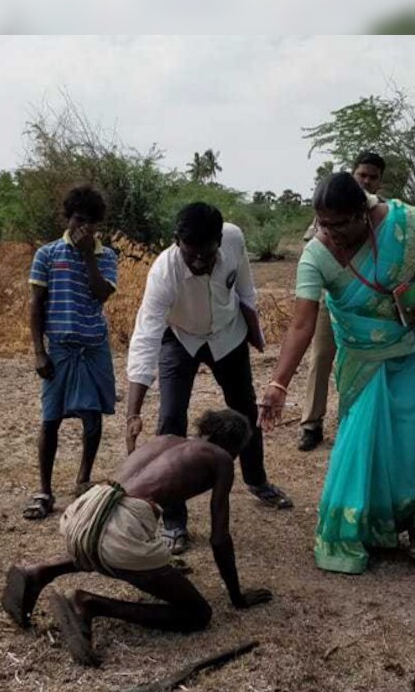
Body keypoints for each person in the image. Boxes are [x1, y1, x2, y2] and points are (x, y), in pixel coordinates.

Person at [259, 172, 415, 574]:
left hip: (412, 343)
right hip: (361, 353)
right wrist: (279, 383)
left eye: (338, 224)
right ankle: (358, 525)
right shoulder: (316, 255)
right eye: (322, 224)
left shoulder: (403, 224)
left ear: (362, 213)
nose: (329, 233)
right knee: (362, 435)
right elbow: (301, 324)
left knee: (410, 432)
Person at [1, 409, 273, 666]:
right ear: (233, 446)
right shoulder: (221, 458)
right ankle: (89, 604)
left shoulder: (165, 440)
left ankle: (39, 572)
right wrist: (237, 596)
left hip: (85, 510)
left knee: (112, 545)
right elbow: (219, 538)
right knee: (197, 613)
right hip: (120, 528)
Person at [125, 202, 293, 556]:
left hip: (227, 335)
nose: (200, 261)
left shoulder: (232, 239)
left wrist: (253, 328)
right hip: (181, 337)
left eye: (207, 253)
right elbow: (146, 335)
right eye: (191, 255)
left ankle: (257, 480)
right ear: (177, 242)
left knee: (244, 410)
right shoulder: (163, 273)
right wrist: (133, 408)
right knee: (171, 420)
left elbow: (245, 287)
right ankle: (174, 519)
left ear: (219, 240)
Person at [23, 185, 118, 521]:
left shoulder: (106, 256)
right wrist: (39, 352)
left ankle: (82, 479)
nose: (85, 228)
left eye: (91, 223)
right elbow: (36, 305)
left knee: (92, 418)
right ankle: (44, 490)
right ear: (68, 218)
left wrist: (89, 254)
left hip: (93, 348)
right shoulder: (47, 255)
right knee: (50, 419)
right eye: (79, 220)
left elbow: (101, 294)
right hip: (60, 348)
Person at [297, 151, 386, 452]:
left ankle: (356, 425)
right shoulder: (331, 207)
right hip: (332, 298)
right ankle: (311, 423)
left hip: (370, 307)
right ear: (354, 173)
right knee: (322, 358)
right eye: (363, 175)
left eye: (373, 177)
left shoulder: (385, 214)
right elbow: (314, 248)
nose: (367, 181)